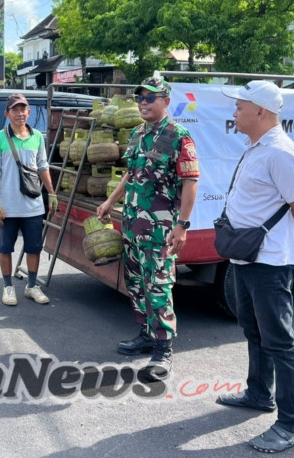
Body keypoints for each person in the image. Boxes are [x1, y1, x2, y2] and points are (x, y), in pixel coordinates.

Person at [216, 80, 294, 454]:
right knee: (254, 330)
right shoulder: (255, 146)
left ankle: (291, 425)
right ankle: (259, 394)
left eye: (240, 106)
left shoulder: (281, 153)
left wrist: (264, 232)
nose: (235, 112)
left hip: (271, 263)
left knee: (280, 342)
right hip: (246, 258)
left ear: (261, 111)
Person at [97, 76, 198, 380]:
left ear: (166, 101)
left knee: (158, 286)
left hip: (160, 229)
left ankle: (164, 349)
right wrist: (109, 202)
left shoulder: (178, 136)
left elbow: (191, 182)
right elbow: (131, 173)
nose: (143, 103)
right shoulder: (138, 134)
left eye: (150, 98)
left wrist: (182, 226)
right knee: (137, 283)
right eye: (140, 98)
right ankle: (145, 334)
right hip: (132, 223)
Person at [0, 94, 58, 306]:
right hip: (7, 207)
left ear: (29, 112)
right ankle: (8, 287)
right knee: (5, 248)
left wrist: (51, 193)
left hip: (33, 205)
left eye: (23, 109)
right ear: (7, 114)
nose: (19, 114)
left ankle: (32, 286)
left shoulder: (37, 137)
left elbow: (43, 166)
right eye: (14, 110)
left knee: (34, 247)